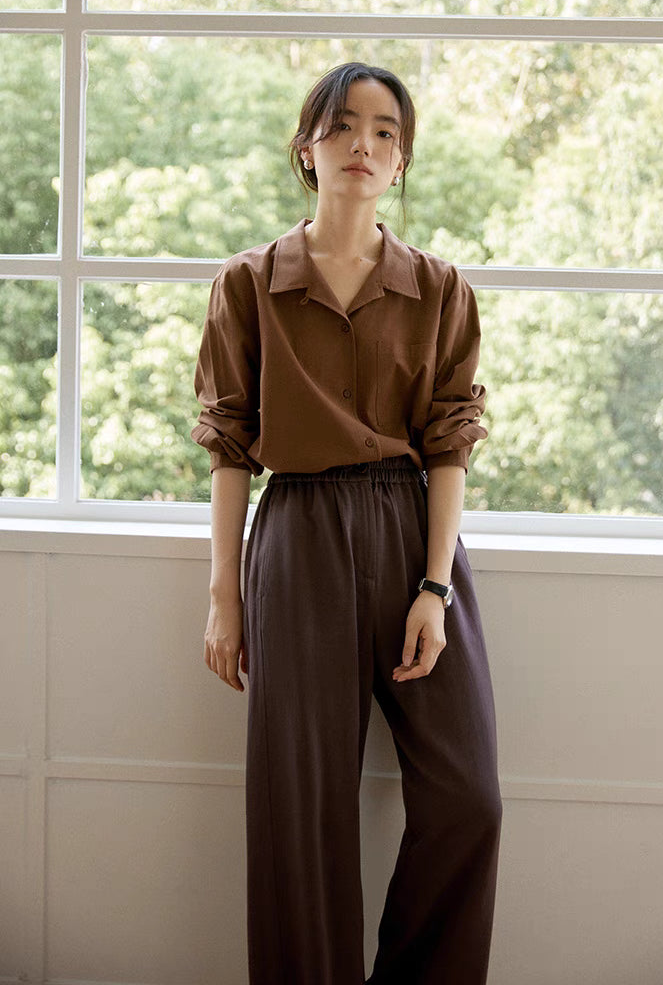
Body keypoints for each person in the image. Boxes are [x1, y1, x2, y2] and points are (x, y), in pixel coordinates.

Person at [192, 61, 502, 985]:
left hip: (413, 535)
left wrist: (435, 586)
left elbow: (449, 444)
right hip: (298, 539)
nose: (363, 145)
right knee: (302, 814)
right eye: (343, 127)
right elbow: (228, 447)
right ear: (307, 148)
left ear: (400, 160)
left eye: (384, 132)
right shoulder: (248, 285)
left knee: (468, 799)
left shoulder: (440, 288)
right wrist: (223, 597)